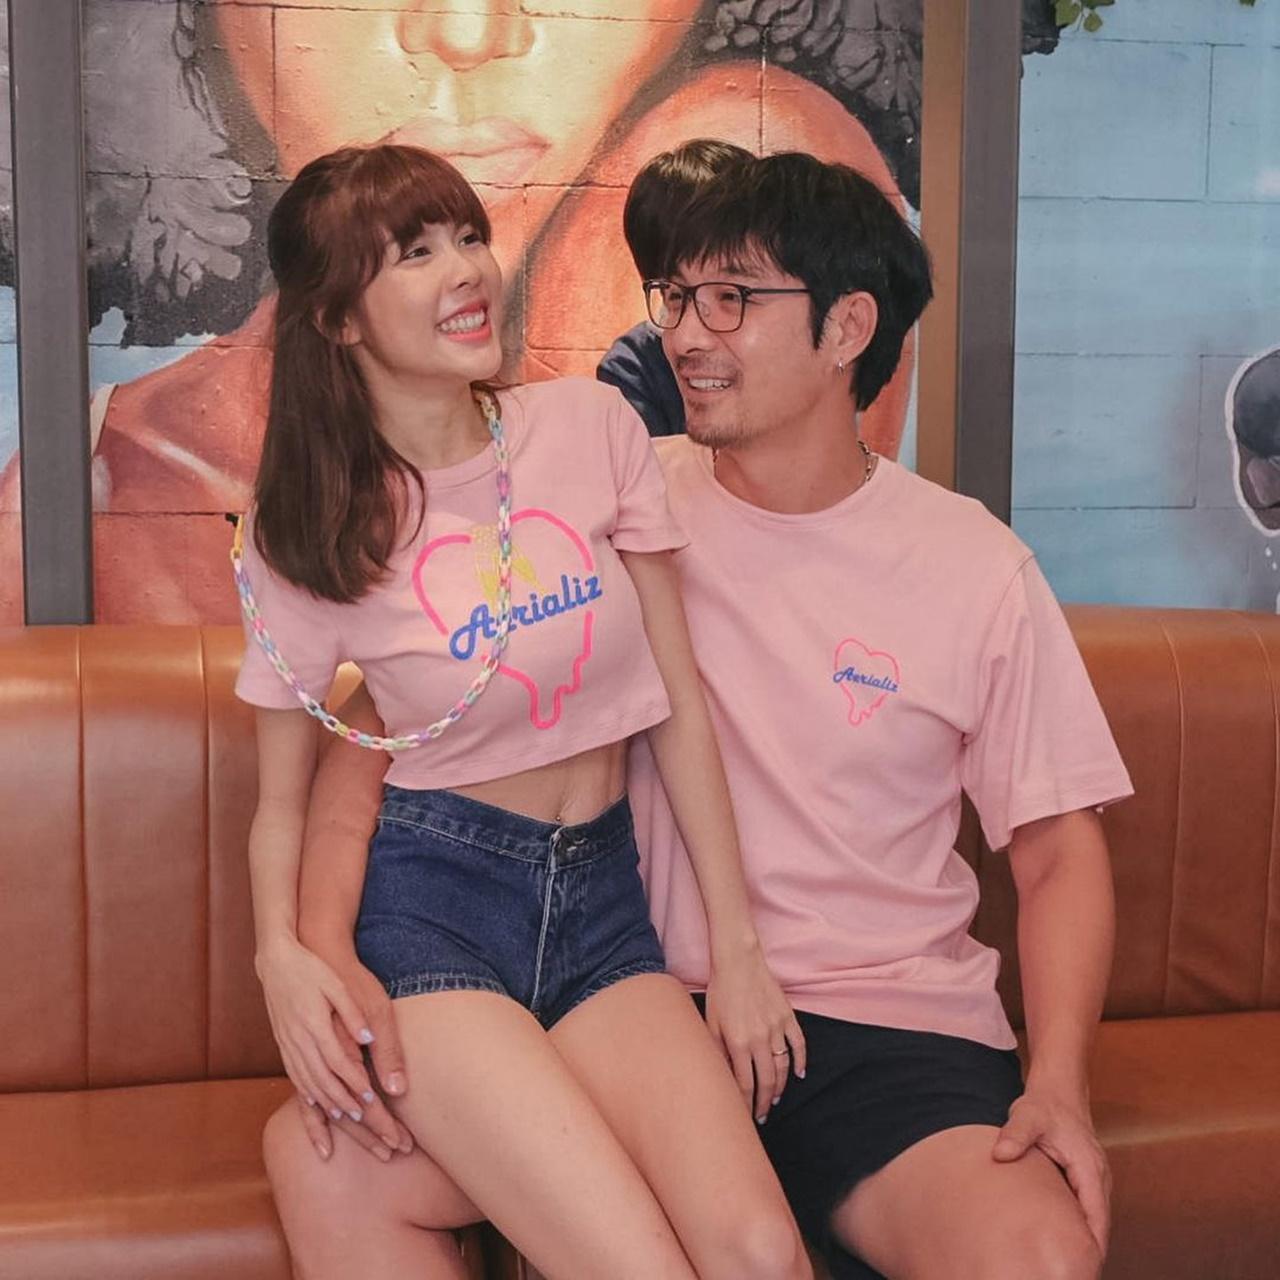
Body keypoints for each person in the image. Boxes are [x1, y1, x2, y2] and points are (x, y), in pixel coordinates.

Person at [276, 149, 1134, 1280]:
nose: (687, 334)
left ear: (846, 328)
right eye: (676, 297)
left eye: (731, 299)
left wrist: (1060, 1085)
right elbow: (396, 718)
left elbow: (1058, 849)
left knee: (1039, 1258)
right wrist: (302, 948)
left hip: (882, 1031)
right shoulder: (604, 483)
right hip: (636, 998)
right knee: (324, 1160)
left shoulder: (974, 564)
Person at [237, 141, 811, 1280]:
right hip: (435, 913)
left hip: (604, 907)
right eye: (414, 254)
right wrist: (282, 957)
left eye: (468, 238)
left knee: (759, 1254)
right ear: (338, 320)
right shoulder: (308, 528)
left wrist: (737, 946)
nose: (467, 271)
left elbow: (676, 704)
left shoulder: (588, 426)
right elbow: (282, 803)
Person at [0, 1, 921, 626]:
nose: (469, 33)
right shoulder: (102, 501)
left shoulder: (608, 408)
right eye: (414, 250)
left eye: (466, 239)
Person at [597, 139, 752, 437]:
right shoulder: (634, 367)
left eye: (729, 295)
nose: (694, 339)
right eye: (677, 296)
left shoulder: (795, 341)